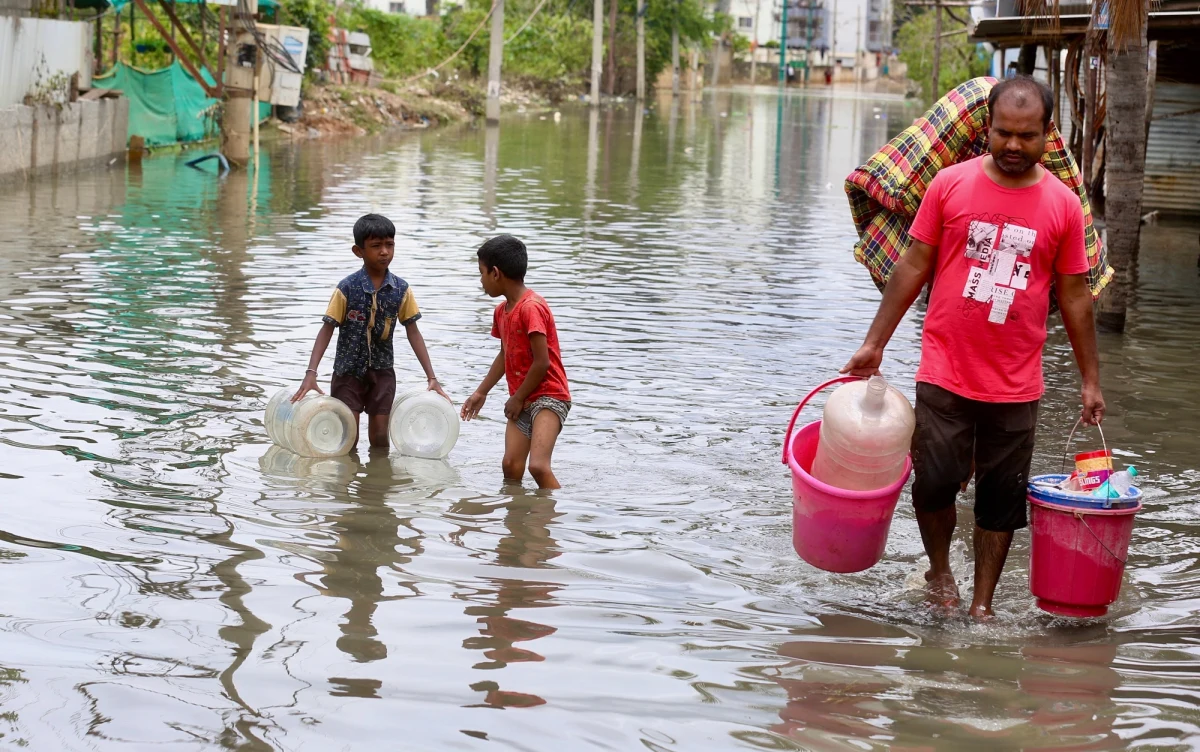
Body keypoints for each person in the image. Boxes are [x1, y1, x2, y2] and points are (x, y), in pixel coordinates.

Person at [841, 76, 1104, 619]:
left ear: (1047, 134)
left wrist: (1090, 380)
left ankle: (982, 604)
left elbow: (1076, 297)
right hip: (945, 368)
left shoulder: (1063, 206)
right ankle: (940, 572)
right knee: (935, 480)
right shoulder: (950, 185)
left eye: (1027, 136)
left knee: (1001, 502)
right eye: (1004, 133)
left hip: (1016, 382)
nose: (1014, 145)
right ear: (987, 128)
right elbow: (914, 264)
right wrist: (874, 343)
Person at [292, 213, 448, 449]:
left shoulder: (401, 290)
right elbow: (327, 329)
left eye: (389, 245)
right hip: (348, 372)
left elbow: (413, 332)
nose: (384, 252)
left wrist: (431, 377)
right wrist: (311, 372)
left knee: (380, 438)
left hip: (382, 372)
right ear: (359, 251)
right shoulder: (347, 288)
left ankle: (379, 472)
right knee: (348, 438)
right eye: (376, 246)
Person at [460, 235, 571, 489]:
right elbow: (504, 354)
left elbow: (542, 362)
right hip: (522, 397)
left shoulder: (531, 308)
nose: (481, 281)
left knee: (538, 467)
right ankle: (516, 512)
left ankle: (559, 510)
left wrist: (518, 398)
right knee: (511, 465)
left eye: (481, 273)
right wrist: (481, 392)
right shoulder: (501, 311)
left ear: (496, 273)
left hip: (549, 395)